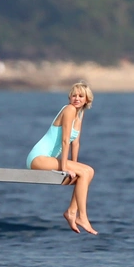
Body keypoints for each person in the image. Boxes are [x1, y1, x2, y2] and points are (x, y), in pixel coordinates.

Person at [26, 82, 97, 235]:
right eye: (74, 95)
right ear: (69, 97)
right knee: (86, 172)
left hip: (48, 158)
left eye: (80, 96)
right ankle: (82, 217)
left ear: (86, 99)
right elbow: (65, 140)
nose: (76, 99)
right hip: (38, 157)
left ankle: (72, 211)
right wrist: (65, 167)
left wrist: (75, 166)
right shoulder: (69, 109)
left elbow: (75, 143)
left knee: (88, 172)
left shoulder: (79, 113)